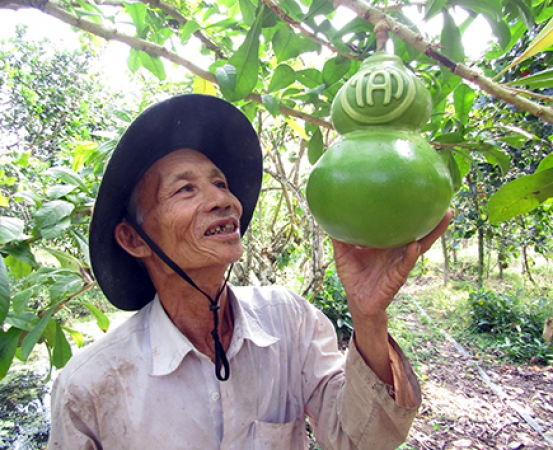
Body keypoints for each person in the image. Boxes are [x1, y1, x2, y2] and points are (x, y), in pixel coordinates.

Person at [47, 94, 452, 449]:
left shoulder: (288, 321)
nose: (222, 200)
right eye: (185, 189)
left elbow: (362, 439)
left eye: (221, 183)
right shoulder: (90, 386)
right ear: (134, 240)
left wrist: (368, 316)